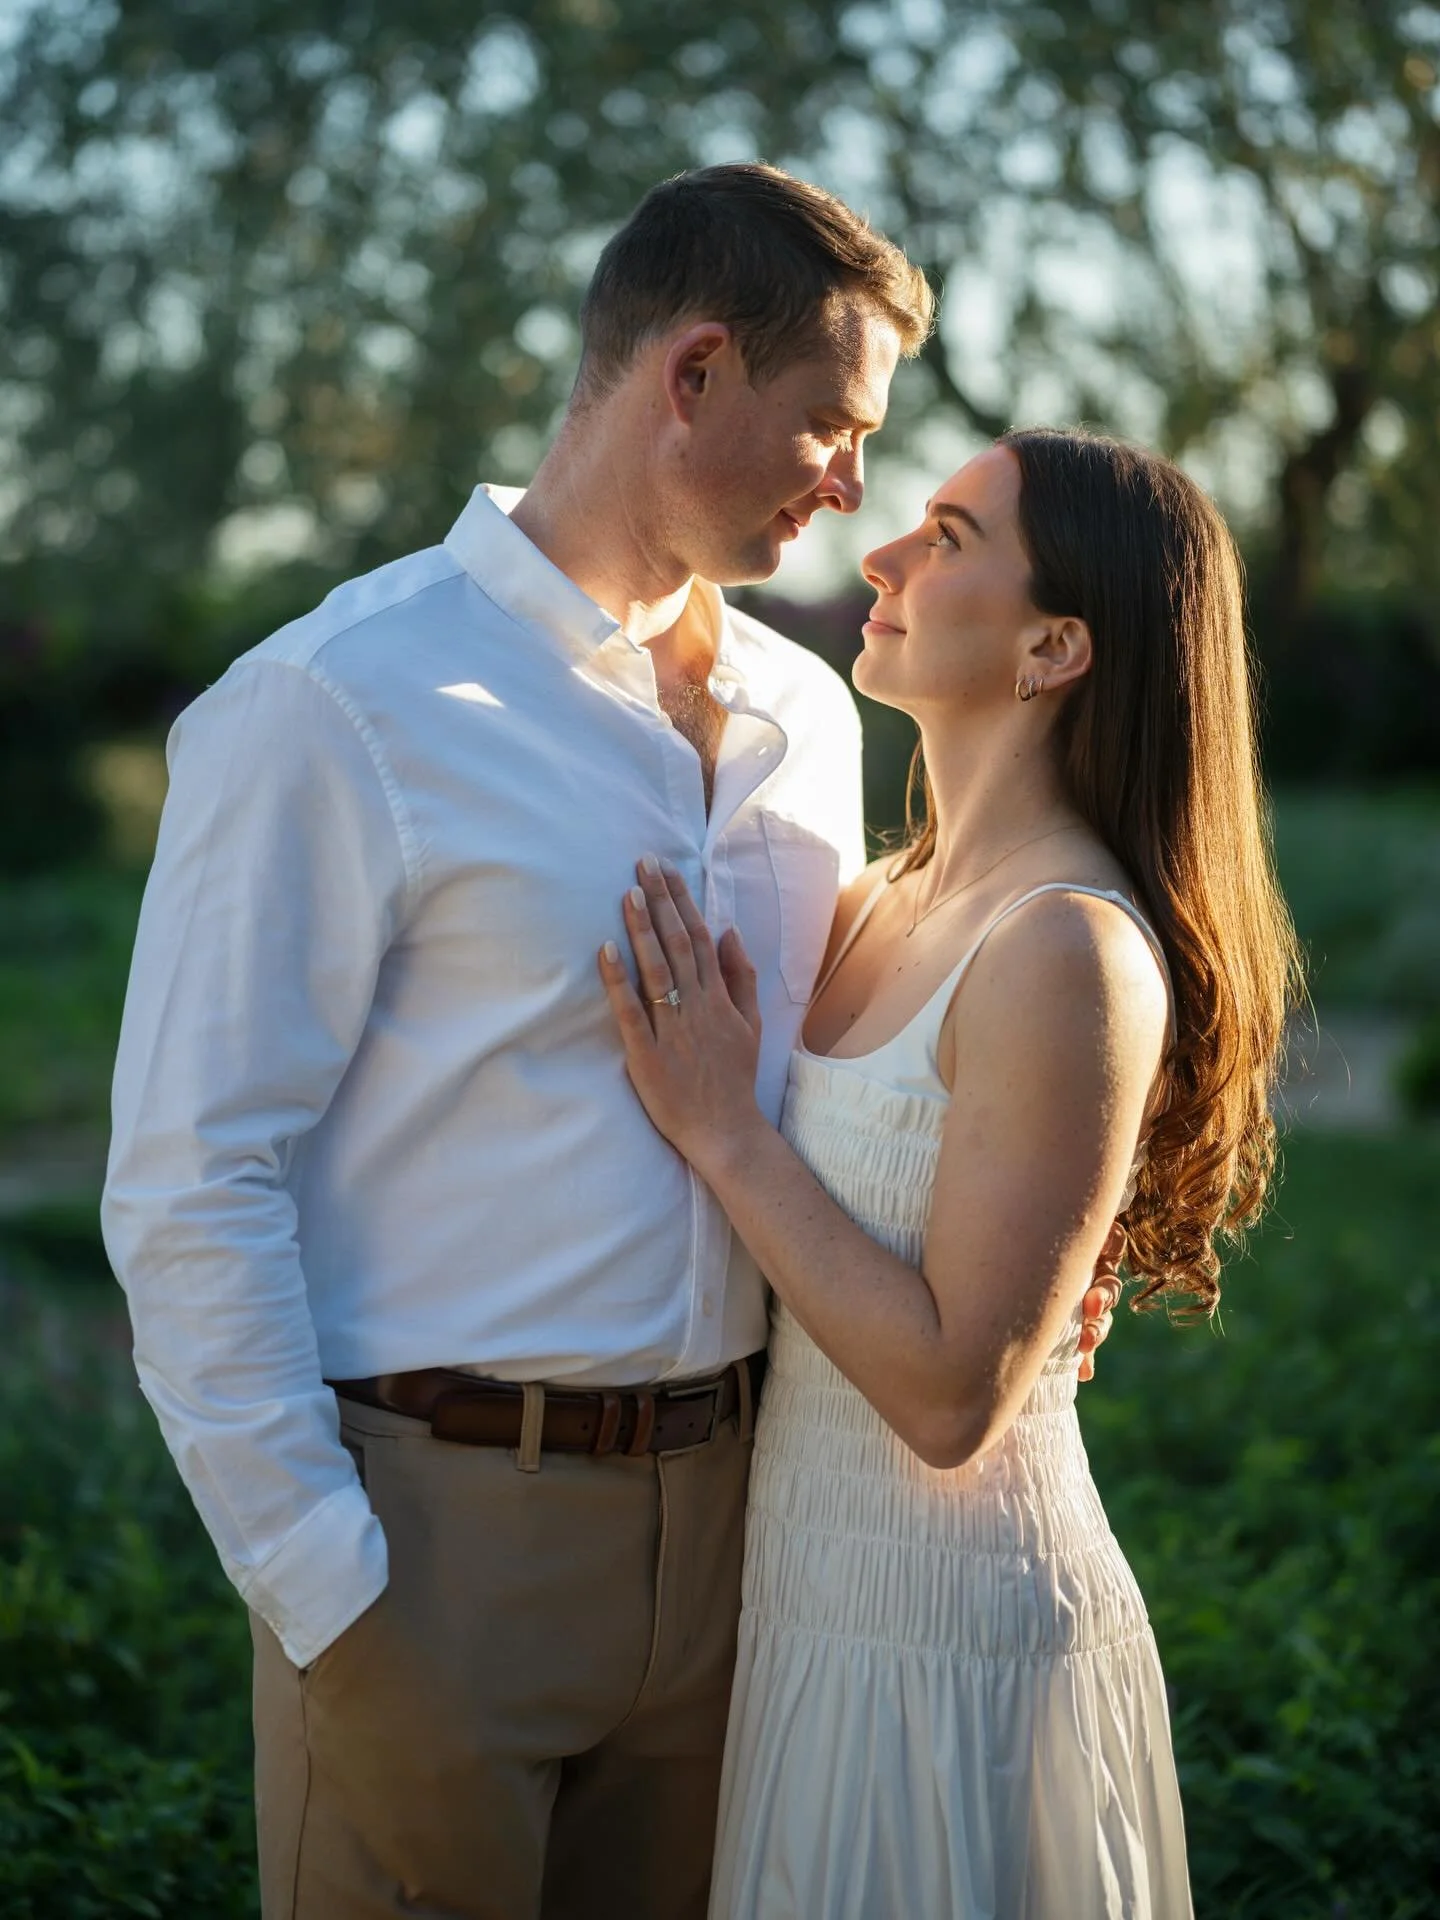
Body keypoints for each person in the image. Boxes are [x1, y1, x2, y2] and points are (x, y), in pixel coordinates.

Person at [601, 428, 1304, 1919]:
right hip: (808, 1612)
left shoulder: (1067, 948)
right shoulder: (880, 896)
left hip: (954, 1651)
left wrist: (725, 1128)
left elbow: (947, 1396)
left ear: (1055, 648)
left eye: (948, 535)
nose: (883, 555)